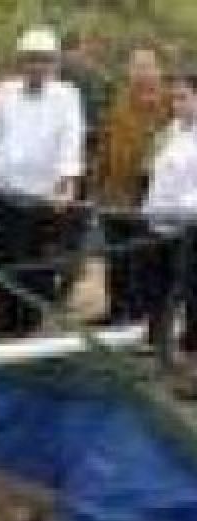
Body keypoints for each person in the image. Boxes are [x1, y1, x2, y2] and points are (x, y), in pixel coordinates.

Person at [0, 27, 85, 335]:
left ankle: (27, 327)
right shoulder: (6, 90)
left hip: (42, 197)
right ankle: (1, 323)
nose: (36, 66)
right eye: (30, 60)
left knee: (35, 267)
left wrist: (66, 182)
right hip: (3, 191)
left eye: (43, 60)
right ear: (20, 61)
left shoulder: (67, 95)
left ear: (54, 63)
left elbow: (71, 139)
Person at [92, 47, 171, 324]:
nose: (140, 72)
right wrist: (98, 184)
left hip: (148, 197)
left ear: (159, 70)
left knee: (142, 259)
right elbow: (105, 144)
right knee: (115, 258)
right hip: (114, 195)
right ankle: (115, 310)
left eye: (147, 66)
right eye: (135, 66)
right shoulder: (120, 101)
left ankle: (138, 315)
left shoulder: (169, 104)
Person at [140, 70, 197, 364]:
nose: (177, 104)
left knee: (187, 291)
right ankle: (157, 342)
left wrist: (181, 211)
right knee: (156, 284)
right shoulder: (171, 130)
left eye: (183, 97)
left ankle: (189, 355)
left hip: (188, 226)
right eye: (174, 98)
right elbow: (154, 171)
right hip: (158, 220)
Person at [56, 30, 113, 305]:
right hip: (82, 159)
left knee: (51, 226)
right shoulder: (96, 76)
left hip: (54, 161)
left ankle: (47, 286)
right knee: (73, 227)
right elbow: (103, 121)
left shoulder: (55, 70)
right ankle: (64, 288)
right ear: (80, 45)